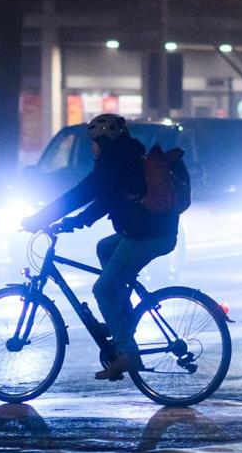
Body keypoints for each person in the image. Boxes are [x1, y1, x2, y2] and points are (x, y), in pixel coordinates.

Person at [21, 113, 179, 381]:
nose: (92, 148)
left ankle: (127, 352)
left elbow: (80, 194)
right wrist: (75, 223)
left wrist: (39, 218)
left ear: (104, 141)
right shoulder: (124, 159)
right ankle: (124, 318)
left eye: (94, 143)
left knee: (103, 289)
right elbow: (106, 200)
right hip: (151, 230)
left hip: (147, 235)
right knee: (105, 249)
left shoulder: (113, 164)